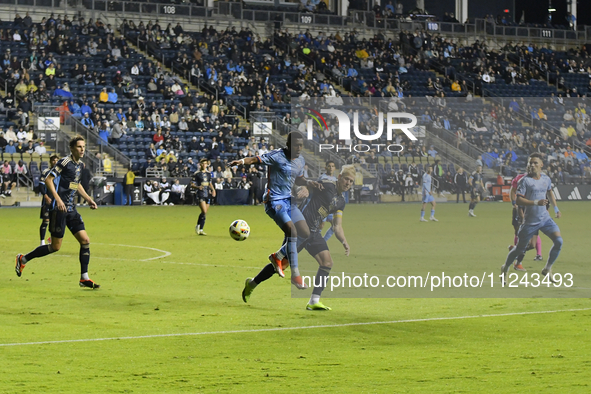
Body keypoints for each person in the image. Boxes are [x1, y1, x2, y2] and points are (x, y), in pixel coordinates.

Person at [242, 166, 356, 311]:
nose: (348, 183)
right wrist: (306, 189)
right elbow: (306, 185)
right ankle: (252, 284)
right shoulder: (326, 185)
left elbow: (337, 225)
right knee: (281, 265)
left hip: (314, 233)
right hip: (300, 229)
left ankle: (314, 301)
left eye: (351, 181)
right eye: (346, 179)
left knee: (327, 263)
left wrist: (344, 241)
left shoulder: (341, 202)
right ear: (339, 177)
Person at [229, 131, 320, 289]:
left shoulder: (300, 160)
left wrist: (309, 183)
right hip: (274, 201)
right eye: (296, 145)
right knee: (292, 231)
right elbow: (255, 160)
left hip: (288, 201)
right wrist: (242, 161)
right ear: (288, 144)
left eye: (301, 145)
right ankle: (296, 275)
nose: (299, 148)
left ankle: (277, 257)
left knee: (305, 233)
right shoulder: (276, 156)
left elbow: (298, 177)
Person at [15, 136, 100, 289]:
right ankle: (23, 259)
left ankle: (84, 278)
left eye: (83, 147)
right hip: (58, 209)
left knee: (85, 241)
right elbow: (48, 179)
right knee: (55, 247)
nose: (82, 150)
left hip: (71, 209)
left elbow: (76, 184)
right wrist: (58, 199)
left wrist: (88, 199)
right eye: (79, 147)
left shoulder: (80, 165)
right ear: (72, 148)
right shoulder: (64, 162)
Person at [501, 153, 562, 284]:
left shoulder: (546, 179)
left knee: (559, 241)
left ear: (541, 165)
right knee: (519, 249)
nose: (532, 165)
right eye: (530, 163)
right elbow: (519, 199)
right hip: (530, 222)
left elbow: (549, 191)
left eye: (535, 163)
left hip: (545, 219)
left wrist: (556, 208)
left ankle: (547, 269)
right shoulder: (525, 181)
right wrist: (536, 202)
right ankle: (505, 268)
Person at [38, 155, 59, 245]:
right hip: (48, 200)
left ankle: (51, 238)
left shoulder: (61, 173)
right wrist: (45, 196)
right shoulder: (46, 172)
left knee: (56, 221)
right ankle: (42, 241)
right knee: (46, 220)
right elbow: (41, 185)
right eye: (53, 160)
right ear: (50, 162)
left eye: (56, 160)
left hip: (57, 201)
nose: (55, 162)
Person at [194, 158, 216, 235]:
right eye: (203, 163)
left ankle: (201, 229)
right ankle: (198, 225)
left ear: (207, 164)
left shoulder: (209, 174)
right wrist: (197, 187)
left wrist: (213, 190)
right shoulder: (197, 174)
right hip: (200, 193)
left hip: (207, 194)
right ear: (200, 164)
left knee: (204, 213)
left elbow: (210, 183)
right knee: (204, 211)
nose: (204, 165)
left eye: (205, 163)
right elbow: (192, 184)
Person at [318, 160, 338, 242]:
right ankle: (315, 241)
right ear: (325, 167)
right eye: (329, 166)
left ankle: (323, 241)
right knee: (321, 225)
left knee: (335, 226)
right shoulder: (322, 178)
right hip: (323, 206)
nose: (331, 168)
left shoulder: (335, 179)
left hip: (331, 207)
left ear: (335, 168)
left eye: (332, 166)